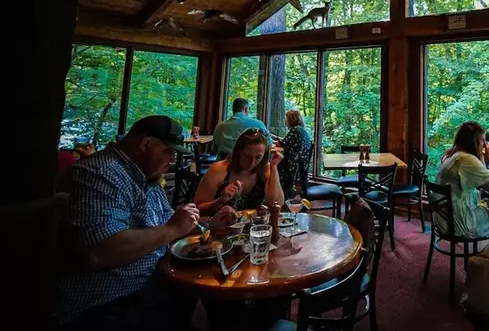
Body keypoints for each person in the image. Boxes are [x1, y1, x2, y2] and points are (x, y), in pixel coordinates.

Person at [53, 115, 237, 329]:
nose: (172, 160)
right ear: (146, 144)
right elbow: (100, 250)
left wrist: (209, 225)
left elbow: (167, 225)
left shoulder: (145, 176)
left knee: (225, 305)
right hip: (106, 303)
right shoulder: (100, 172)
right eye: (169, 152)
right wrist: (173, 228)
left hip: (154, 284)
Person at [434, 121, 489, 239]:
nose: (485, 145)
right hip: (461, 223)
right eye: (482, 140)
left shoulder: (453, 156)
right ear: (474, 141)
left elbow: (482, 179)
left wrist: (481, 155)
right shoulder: (467, 160)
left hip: (444, 219)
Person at [195, 127, 285, 215]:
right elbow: (198, 208)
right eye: (247, 156)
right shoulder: (218, 169)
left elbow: (276, 204)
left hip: (251, 227)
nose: (252, 163)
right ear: (238, 153)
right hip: (219, 226)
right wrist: (221, 200)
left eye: (258, 157)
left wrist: (274, 167)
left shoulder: (265, 169)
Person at [277, 109, 312, 196]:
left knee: (271, 167)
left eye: (286, 118)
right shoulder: (300, 130)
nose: (285, 121)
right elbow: (287, 142)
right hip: (300, 163)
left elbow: (283, 143)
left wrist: (272, 140)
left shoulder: (295, 130)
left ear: (291, 119)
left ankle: (279, 195)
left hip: (292, 165)